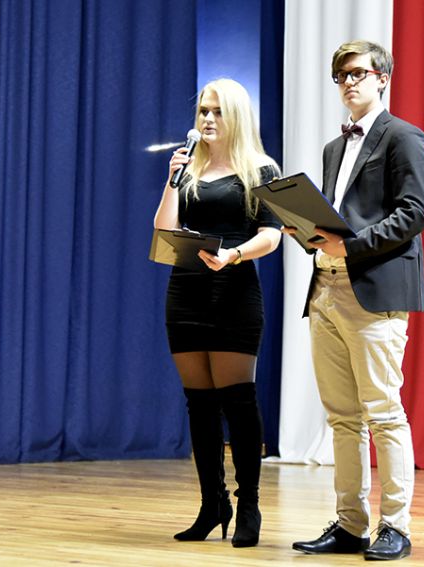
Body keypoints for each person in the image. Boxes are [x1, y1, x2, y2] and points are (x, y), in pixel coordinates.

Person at [290, 40, 424, 561]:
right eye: (341, 76)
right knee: (342, 417)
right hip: (326, 289)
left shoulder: (403, 136)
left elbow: (416, 212)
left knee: (384, 413)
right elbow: (337, 220)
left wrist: (349, 247)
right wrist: (304, 228)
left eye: (358, 73)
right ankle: (351, 524)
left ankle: (395, 526)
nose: (349, 83)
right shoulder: (334, 148)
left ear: (382, 78)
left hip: (373, 290)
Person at [154, 78, 282, 548]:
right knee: (200, 404)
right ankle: (213, 503)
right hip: (186, 291)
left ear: (236, 116)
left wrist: (235, 254)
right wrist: (172, 180)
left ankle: (248, 505)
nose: (207, 119)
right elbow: (164, 229)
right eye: (203, 111)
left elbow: (272, 234)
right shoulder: (187, 169)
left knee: (239, 402)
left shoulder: (261, 169)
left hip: (234, 290)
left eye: (217, 111)